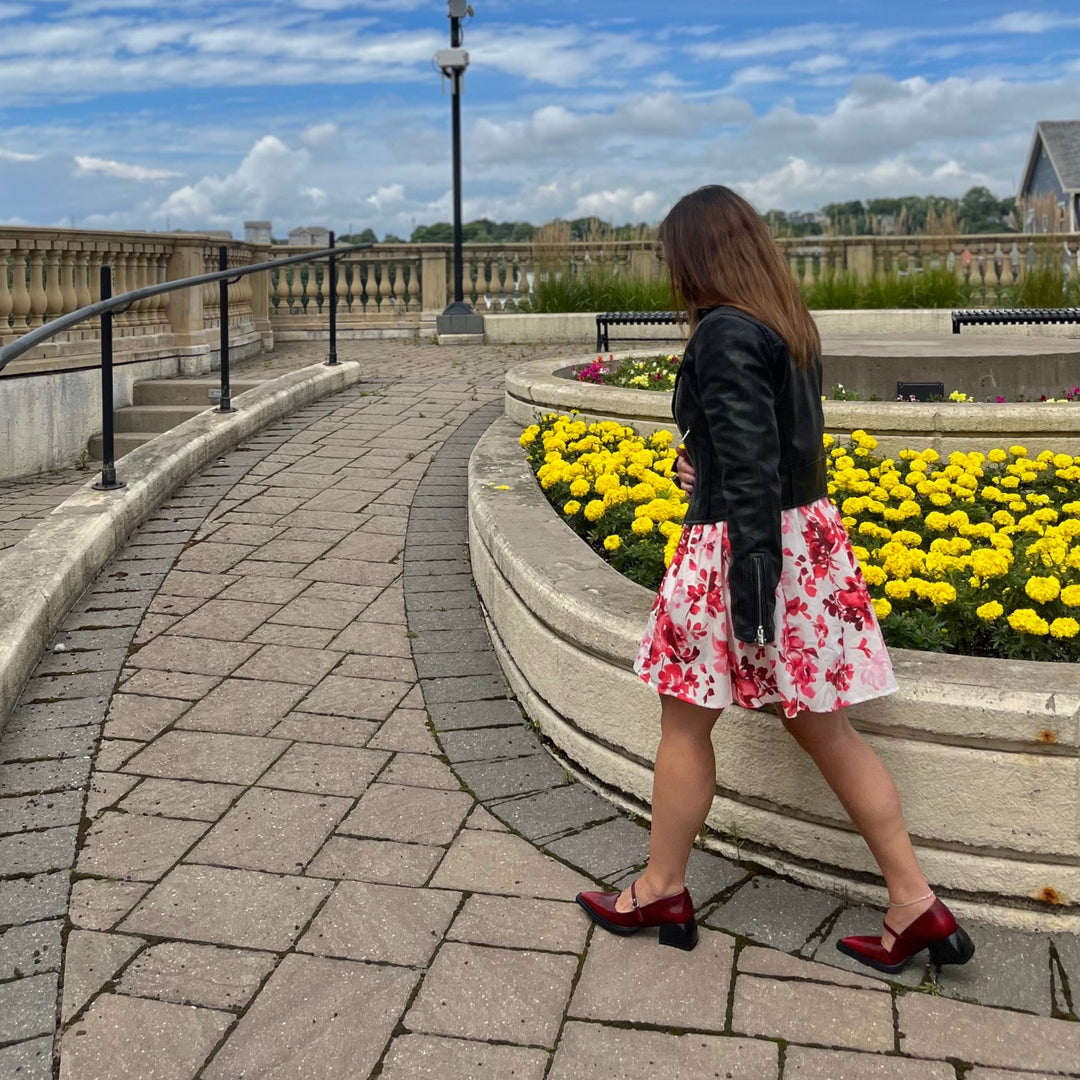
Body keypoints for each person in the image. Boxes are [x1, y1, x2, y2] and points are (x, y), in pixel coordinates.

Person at [575, 185, 975, 975]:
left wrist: (750, 596)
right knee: (827, 728)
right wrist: (709, 463)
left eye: (673, 257)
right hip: (802, 541)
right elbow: (772, 449)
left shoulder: (723, 332)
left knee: (684, 725)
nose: (670, 272)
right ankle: (914, 903)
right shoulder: (785, 324)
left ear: (697, 254)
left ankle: (660, 888)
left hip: (743, 552)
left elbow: (754, 472)